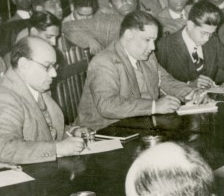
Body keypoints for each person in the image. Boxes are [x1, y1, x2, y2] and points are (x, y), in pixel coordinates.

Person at [75, 11, 209, 130]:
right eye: (147, 40)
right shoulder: (104, 62)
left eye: (154, 40)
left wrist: (191, 93)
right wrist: (154, 106)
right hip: (101, 133)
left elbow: (165, 81)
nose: (153, 47)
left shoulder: (147, 57)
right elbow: (107, 105)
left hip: (136, 126)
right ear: (128, 35)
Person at [0, 37, 88, 164]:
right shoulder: (3, 98)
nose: (54, 74)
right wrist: (58, 148)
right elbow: (5, 150)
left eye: (54, 66)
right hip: (10, 173)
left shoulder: (35, 87)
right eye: (47, 66)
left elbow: (45, 130)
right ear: (24, 64)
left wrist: (72, 132)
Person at [156, 1, 224, 89]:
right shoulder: (164, 46)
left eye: (211, 34)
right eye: (204, 33)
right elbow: (157, 84)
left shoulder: (213, 41)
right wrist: (189, 85)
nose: (207, 39)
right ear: (190, 25)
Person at [62, 0, 137, 54]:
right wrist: (89, 40)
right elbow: (67, 27)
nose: (85, 18)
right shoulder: (103, 22)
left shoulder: (101, 16)